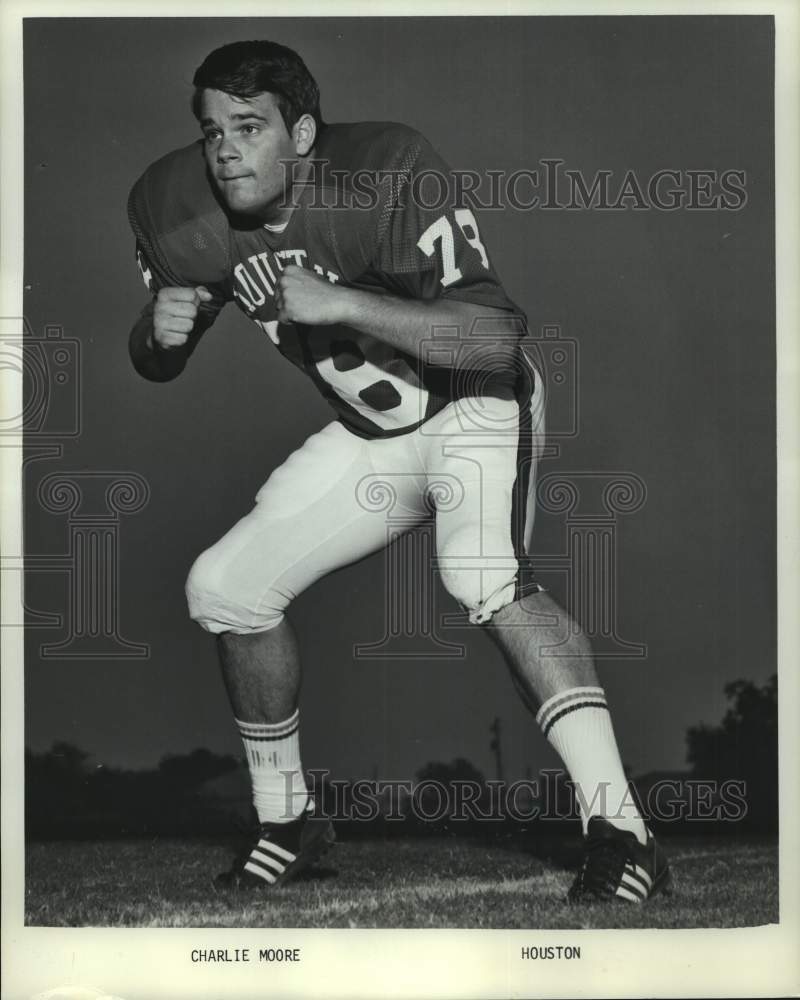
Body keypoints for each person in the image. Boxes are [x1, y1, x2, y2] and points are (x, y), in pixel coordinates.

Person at [127, 39, 670, 903]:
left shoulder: (385, 169)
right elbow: (155, 360)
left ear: (301, 134)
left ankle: (625, 832)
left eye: (249, 126)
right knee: (225, 587)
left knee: (482, 572)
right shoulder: (176, 206)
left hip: (474, 402)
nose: (224, 149)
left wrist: (338, 300)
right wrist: (158, 335)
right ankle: (288, 820)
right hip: (372, 429)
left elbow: (496, 339)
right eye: (211, 129)